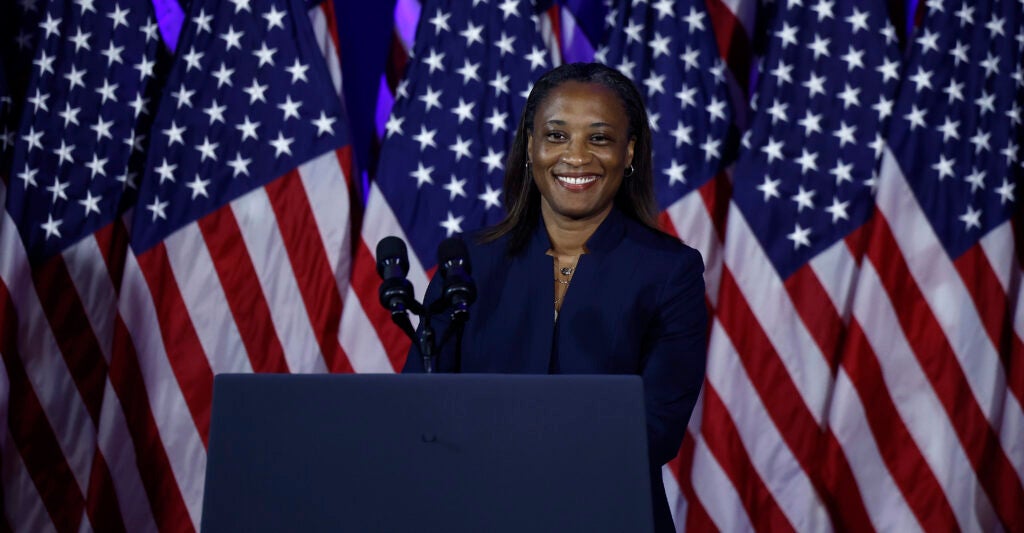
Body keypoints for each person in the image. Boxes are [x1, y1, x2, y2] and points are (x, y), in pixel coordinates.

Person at [403, 62, 708, 533]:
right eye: (558, 136)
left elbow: (657, 429)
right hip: (480, 517)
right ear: (531, 147)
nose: (577, 156)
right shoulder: (465, 264)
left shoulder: (670, 272)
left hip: (610, 519)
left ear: (629, 153)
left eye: (600, 138)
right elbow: (421, 414)